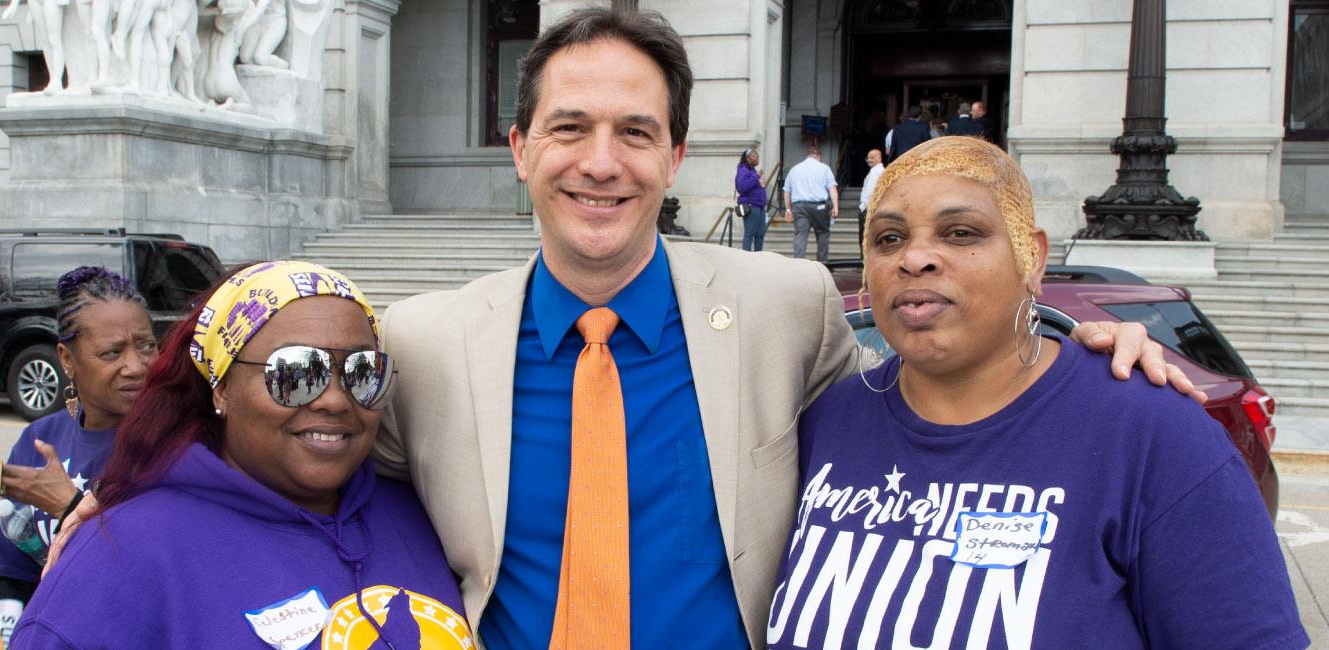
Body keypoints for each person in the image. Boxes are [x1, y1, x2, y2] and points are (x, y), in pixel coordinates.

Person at [364, 9, 1198, 650]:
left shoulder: (788, 307)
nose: (601, 162)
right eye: (569, 128)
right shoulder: (426, 341)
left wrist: (1067, 347)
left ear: (676, 155)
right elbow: (340, 512)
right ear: (519, 147)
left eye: (636, 133)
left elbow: (930, 405)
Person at [765, 136, 1308, 649]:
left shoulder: (1156, 436)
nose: (915, 258)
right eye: (889, 239)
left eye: (961, 233)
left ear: (1033, 258)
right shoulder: (827, 421)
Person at [12, 261, 468, 648]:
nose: (335, 399)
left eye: (362, 372)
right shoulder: (122, 555)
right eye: (295, 372)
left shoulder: (415, 514)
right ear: (222, 388)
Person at [0, 267, 155, 640]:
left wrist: (68, 505)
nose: (136, 366)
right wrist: (8, 634)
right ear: (67, 359)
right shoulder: (39, 440)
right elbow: (12, 575)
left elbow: (156, 573)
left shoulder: (174, 446)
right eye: (112, 352)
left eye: (147, 345)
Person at [782, 146, 839, 261]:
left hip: (800, 207)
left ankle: (799, 263)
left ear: (807, 155)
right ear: (819, 156)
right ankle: (822, 263)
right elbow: (832, 189)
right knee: (823, 234)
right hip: (820, 206)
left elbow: (786, 191)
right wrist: (835, 207)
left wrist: (788, 209)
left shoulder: (795, 169)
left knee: (800, 235)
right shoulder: (824, 168)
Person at [735, 147, 769, 251]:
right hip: (751, 205)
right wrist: (756, 177)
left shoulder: (752, 170)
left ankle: (758, 257)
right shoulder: (743, 170)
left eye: (757, 156)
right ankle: (747, 257)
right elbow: (742, 187)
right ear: (748, 158)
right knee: (750, 233)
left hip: (760, 206)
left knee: (760, 233)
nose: (757, 158)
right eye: (754, 156)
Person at [857, 148, 884, 250]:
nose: (869, 160)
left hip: (868, 209)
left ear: (879, 158)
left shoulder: (875, 172)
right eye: (868, 158)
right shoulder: (880, 171)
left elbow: (869, 191)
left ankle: (864, 263)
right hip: (873, 208)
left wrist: (863, 207)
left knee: (864, 239)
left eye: (872, 158)